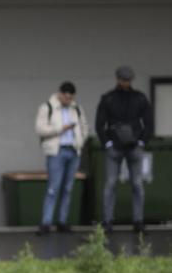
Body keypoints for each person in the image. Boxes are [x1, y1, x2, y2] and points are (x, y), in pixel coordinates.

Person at [94, 66, 154, 233]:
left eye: (127, 80)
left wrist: (141, 142)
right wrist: (108, 144)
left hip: (129, 146)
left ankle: (136, 221)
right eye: (123, 80)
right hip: (123, 147)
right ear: (118, 79)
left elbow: (149, 123)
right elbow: (99, 124)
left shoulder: (110, 98)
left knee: (133, 184)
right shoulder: (130, 98)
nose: (125, 82)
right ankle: (109, 221)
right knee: (115, 184)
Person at [35, 82, 88, 235]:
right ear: (59, 94)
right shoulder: (47, 107)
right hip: (56, 151)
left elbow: (84, 126)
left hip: (73, 150)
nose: (68, 100)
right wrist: (61, 129)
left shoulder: (76, 108)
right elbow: (40, 129)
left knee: (68, 188)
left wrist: (81, 141)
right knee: (53, 188)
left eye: (71, 98)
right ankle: (46, 223)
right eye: (66, 97)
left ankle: (62, 222)